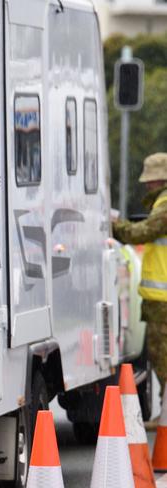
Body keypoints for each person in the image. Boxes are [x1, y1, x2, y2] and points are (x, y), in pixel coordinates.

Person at [113, 152, 167, 389]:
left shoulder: (164, 206)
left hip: (163, 301)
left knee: (161, 359)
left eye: (151, 179)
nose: (146, 184)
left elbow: (141, 233)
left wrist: (115, 225)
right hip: (159, 300)